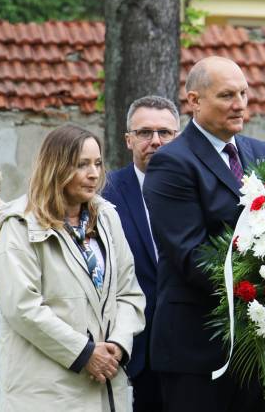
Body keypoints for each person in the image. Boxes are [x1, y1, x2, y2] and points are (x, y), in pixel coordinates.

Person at [144, 56, 265, 412]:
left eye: (244, 93)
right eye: (227, 95)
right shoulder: (172, 162)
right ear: (194, 101)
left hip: (254, 345)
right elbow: (190, 254)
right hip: (196, 347)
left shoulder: (260, 152)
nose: (239, 105)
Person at [0, 125, 146, 412]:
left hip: (106, 387)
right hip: (47, 392)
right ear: (56, 167)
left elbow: (128, 293)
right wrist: (84, 353)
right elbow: (22, 308)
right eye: (81, 165)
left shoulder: (107, 218)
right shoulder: (20, 225)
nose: (94, 173)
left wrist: (118, 344)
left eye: (98, 163)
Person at [102, 95, 180, 412]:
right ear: (128, 139)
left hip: (189, 348)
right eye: (145, 133)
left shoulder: (195, 187)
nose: (156, 141)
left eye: (165, 133)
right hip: (134, 349)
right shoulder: (106, 193)